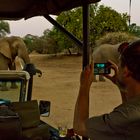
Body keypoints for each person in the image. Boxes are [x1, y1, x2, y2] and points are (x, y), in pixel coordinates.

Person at [73, 40, 140, 140]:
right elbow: (129, 106)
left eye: (120, 63)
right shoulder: (132, 109)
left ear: (126, 71)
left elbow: (80, 127)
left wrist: (84, 85)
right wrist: (121, 85)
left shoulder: (127, 116)